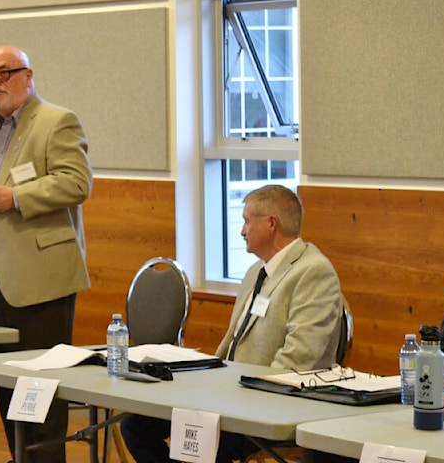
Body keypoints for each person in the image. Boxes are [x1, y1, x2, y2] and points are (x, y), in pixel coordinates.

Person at [0, 44, 92, 463]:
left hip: (40, 275)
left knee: (39, 386)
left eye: (3, 72)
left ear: (29, 75)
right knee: (7, 384)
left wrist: (17, 196)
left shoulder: (57, 121)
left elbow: (77, 183)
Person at [120, 184, 344, 463]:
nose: (241, 231)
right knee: (135, 427)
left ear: (271, 223)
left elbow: (300, 360)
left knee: (193, 440)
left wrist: (238, 397)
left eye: (247, 221)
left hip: (269, 402)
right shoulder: (255, 271)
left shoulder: (313, 271)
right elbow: (231, 345)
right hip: (228, 392)